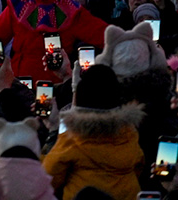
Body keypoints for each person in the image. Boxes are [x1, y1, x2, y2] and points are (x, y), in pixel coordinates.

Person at [42, 64, 144, 200]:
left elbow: (47, 178)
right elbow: (139, 165)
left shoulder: (73, 138)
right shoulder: (129, 132)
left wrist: (53, 132)